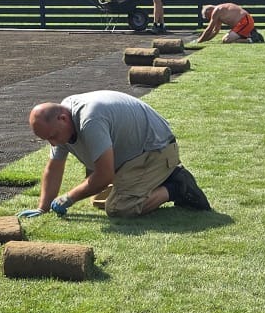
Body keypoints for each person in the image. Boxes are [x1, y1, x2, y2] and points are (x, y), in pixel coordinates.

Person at [23, 90, 210, 219]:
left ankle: (177, 186)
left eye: (53, 137)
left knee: (119, 207)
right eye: (48, 139)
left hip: (156, 150)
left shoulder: (89, 120)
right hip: (132, 155)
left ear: (63, 119)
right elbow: (54, 167)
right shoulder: (61, 121)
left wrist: (68, 197)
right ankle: (155, 180)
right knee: (98, 200)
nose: (53, 143)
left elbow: (104, 176)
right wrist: (43, 208)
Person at [194, 2, 262, 44]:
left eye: (207, 16)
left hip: (244, 22)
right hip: (244, 22)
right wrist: (204, 40)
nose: (208, 19)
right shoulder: (219, 12)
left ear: (208, 11)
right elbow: (215, 31)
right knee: (225, 39)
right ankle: (252, 35)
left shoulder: (217, 10)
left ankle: (252, 39)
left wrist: (199, 41)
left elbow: (209, 29)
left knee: (227, 40)